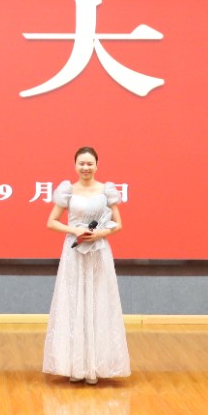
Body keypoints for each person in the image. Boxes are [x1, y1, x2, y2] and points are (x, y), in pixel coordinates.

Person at [42, 146, 130, 383]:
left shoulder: (106, 190)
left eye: (90, 163)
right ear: (75, 165)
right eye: (81, 163)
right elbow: (52, 222)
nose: (85, 167)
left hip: (99, 252)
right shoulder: (67, 191)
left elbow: (118, 223)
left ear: (97, 165)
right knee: (74, 302)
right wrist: (75, 231)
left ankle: (95, 367)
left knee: (98, 301)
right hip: (74, 252)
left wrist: (100, 233)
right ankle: (75, 367)